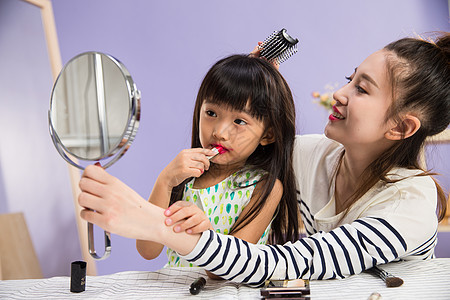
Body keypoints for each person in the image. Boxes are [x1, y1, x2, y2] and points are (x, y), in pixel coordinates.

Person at [78, 33, 449, 286]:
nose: (339, 93)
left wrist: (150, 222)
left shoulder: (410, 205)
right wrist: (254, 89)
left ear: (401, 127)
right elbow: (252, 138)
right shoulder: (311, 156)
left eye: (362, 88)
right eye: (349, 79)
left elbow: (281, 263)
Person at [135, 54, 299, 270]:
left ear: (267, 135)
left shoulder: (263, 187)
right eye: (211, 113)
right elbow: (147, 250)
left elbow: (227, 269)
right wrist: (164, 181)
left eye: (239, 121)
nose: (219, 132)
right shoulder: (185, 174)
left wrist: (203, 238)